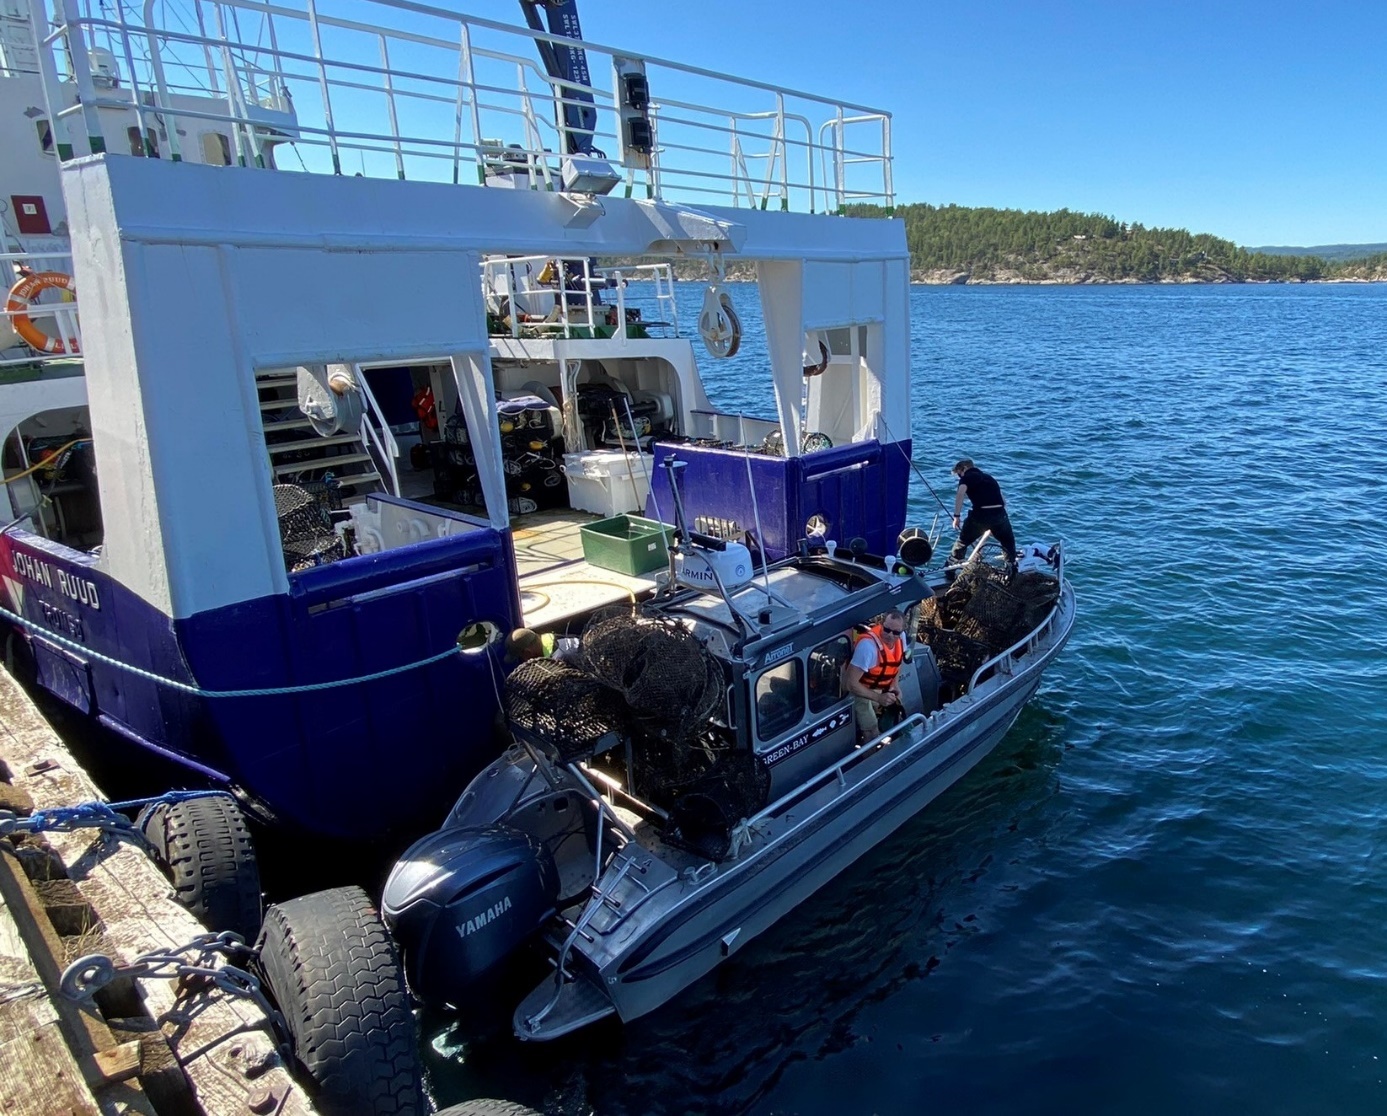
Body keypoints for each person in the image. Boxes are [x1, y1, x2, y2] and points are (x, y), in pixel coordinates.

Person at [843, 610, 907, 743]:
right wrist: (878, 698)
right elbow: (850, 683)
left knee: (893, 714)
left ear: (901, 632)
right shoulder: (867, 647)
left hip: (878, 687)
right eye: (887, 629)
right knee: (872, 733)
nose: (890, 635)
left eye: (895, 633)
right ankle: (871, 758)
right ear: (881, 624)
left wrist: (895, 685)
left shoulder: (901, 638)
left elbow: (897, 663)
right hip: (858, 689)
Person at [949, 458, 1017, 574]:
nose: (960, 478)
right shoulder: (990, 478)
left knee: (962, 542)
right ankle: (1011, 570)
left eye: (959, 475)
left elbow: (960, 493)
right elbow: (1003, 501)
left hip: (980, 515)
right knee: (1008, 543)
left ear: (964, 468)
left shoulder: (967, 477)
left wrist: (956, 516)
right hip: (1000, 515)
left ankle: (950, 570)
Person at [504, 627, 582, 666]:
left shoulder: (559, 660)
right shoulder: (558, 637)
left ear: (528, 653)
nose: (525, 661)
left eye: (521, 657)